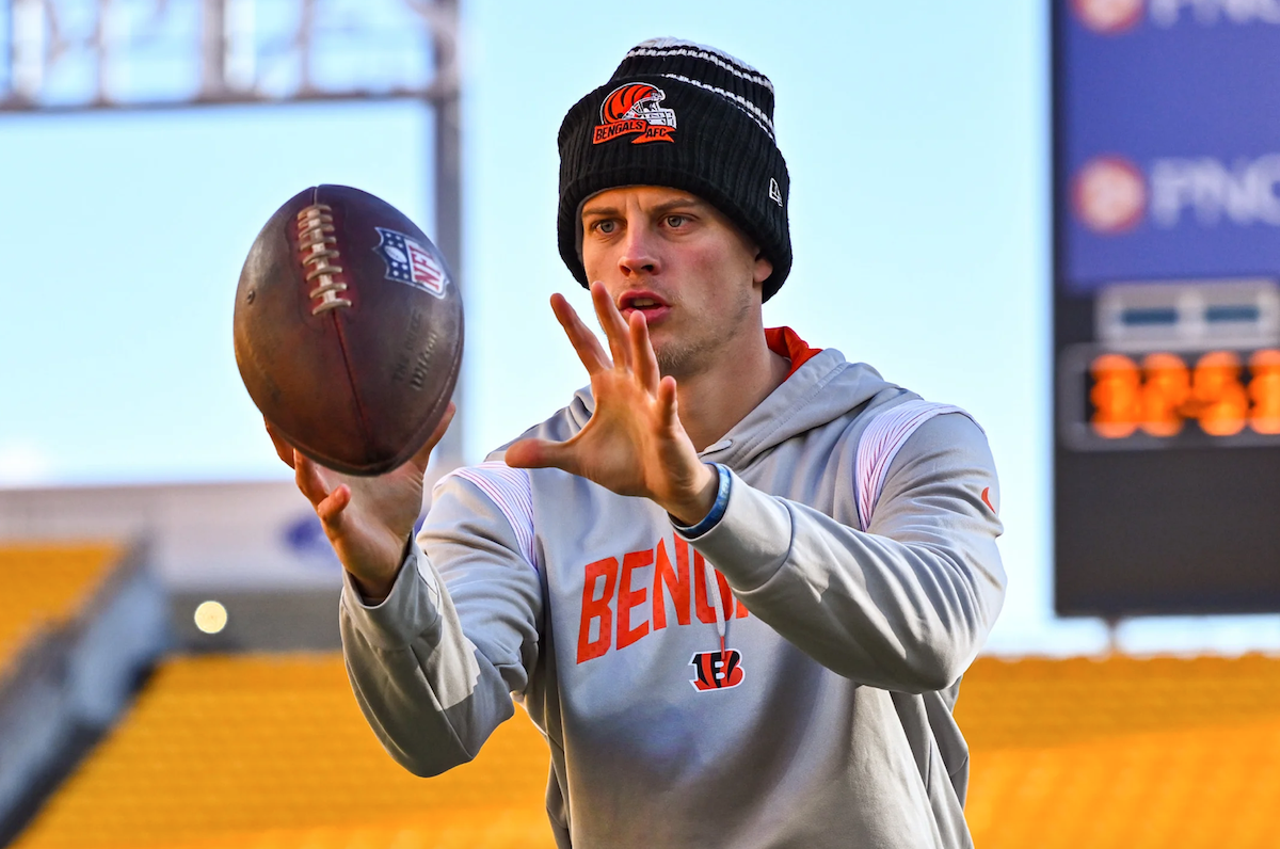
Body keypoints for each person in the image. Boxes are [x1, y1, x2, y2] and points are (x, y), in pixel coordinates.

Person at [270, 38, 1005, 849]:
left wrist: (706, 501)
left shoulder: (896, 441)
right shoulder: (515, 492)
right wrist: (386, 578)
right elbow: (438, 728)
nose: (632, 254)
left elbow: (933, 631)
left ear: (760, 250)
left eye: (676, 218)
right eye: (603, 223)